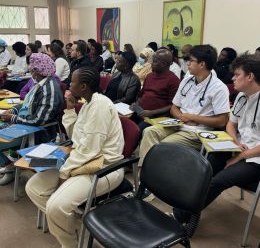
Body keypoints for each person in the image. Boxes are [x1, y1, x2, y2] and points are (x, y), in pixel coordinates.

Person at [25, 66, 125, 248]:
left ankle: (70, 243)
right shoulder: (87, 104)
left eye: (72, 82)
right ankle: (76, 224)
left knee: (56, 206)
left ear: (84, 86)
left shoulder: (100, 105)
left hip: (104, 167)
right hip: (81, 160)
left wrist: (64, 173)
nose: (68, 85)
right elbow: (76, 139)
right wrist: (70, 110)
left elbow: (90, 150)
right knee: (34, 187)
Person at [175, 53, 260, 224]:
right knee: (204, 169)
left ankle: (181, 217)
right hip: (240, 147)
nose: (232, 78)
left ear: (250, 77)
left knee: (218, 180)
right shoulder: (242, 96)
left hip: (255, 158)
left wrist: (240, 156)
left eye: (237, 75)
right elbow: (230, 123)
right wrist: (235, 141)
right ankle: (187, 209)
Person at [139, 45, 230, 164]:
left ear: (202, 64)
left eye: (191, 61)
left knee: (162, 145)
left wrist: (192, 117)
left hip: (196, 132)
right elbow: (174, 107)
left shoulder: (219, 88)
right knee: (149, 132)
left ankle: (157, 174)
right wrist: (181, 117)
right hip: (177, 124)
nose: (187, 64)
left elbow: (222, 120)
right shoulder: (187, 81)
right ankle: (145, 174)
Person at [0, 53, 63, 184]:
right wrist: (13, 110)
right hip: (24, 124)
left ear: (37, 70)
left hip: (36, 132)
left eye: (32, 68)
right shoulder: (41, 84)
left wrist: (13, 118)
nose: (30, 70)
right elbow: (27, 104)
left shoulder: (49, 90)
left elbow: (39, 120)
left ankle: (10, 167)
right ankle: (10, 166)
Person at [131, 48, 180, 131]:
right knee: (122, 123)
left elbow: (172, 106)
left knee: (136, 130)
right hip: (140, 111)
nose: (151, 64)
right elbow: (142, 95)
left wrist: (151, 113)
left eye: (154, 61)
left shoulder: (173, 80)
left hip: (156, 117)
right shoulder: (150, 76)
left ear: (164, 64)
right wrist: (136, 104)